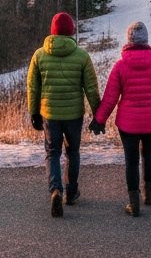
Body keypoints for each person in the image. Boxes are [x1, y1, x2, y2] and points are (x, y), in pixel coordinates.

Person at [90, 20, 151, 216]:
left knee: (131, 160)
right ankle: (150, 195)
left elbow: (110, 97)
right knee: (148, 154)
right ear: (146, 41)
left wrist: (99, 119)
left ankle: (134, 201)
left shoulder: (120, 66)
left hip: (128, 123)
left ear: (129, 40)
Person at [27, 11, 102, 217]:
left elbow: (33, 88)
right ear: (71, 32)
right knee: (73, 152)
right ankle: (71, 192)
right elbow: (91, 89)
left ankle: (55, 190)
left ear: (52, 32)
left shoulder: (39, 55)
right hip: (73, 115)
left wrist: (34, 113)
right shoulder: (82, 56)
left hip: (49, 115)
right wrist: (99, 116)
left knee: (52, 153)